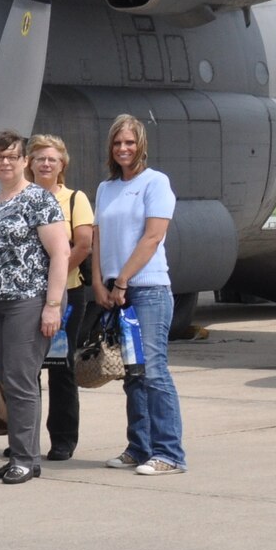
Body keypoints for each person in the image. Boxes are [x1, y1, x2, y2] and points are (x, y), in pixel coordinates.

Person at [0, 131, 69, 484]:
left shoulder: (39, 200)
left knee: (20, 379)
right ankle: (23, 454)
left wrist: (52, 306)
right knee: (10, 379)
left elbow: (61, 253)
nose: (6, 162)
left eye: (13, 156)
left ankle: (26, 459)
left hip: (29, 299)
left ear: (25, 161)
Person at [94, 114, 186, 476]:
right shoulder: (106, 188)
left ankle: (170, 452)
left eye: (129, 142)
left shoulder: (155, 183)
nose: (123, 149)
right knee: (132, 374)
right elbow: (99, 237)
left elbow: (152, 237)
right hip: (119, 291)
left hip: (147, 289)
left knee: (153, 371)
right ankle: (139, 446)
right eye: (117, 143)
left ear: (141, 144)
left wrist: (123, 281)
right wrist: (101, 283)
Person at [30, 134, 95, 461]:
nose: (45, 164)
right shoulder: (22, 197)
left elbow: (83, 245)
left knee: (60, 366)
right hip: (27, 295)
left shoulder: (74, 199)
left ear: (62, 164)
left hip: (67, 293)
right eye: (39, 158)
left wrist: (53, 276)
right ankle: (25, 437)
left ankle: (63, 438)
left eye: (51, 159)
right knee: (26, 369)